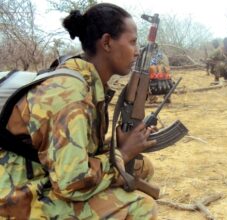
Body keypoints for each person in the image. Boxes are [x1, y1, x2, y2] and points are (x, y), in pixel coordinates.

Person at [0, 3, 157, 219]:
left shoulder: (88, 80)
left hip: (44, 174)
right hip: (17, 195)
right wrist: (124, 153)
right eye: (132, 42)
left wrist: (118, 144)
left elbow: (81, 150)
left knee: (140, 167)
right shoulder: (71, 93)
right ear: (107, 42)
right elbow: (71, 184)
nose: (137, 51)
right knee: (142, 207)